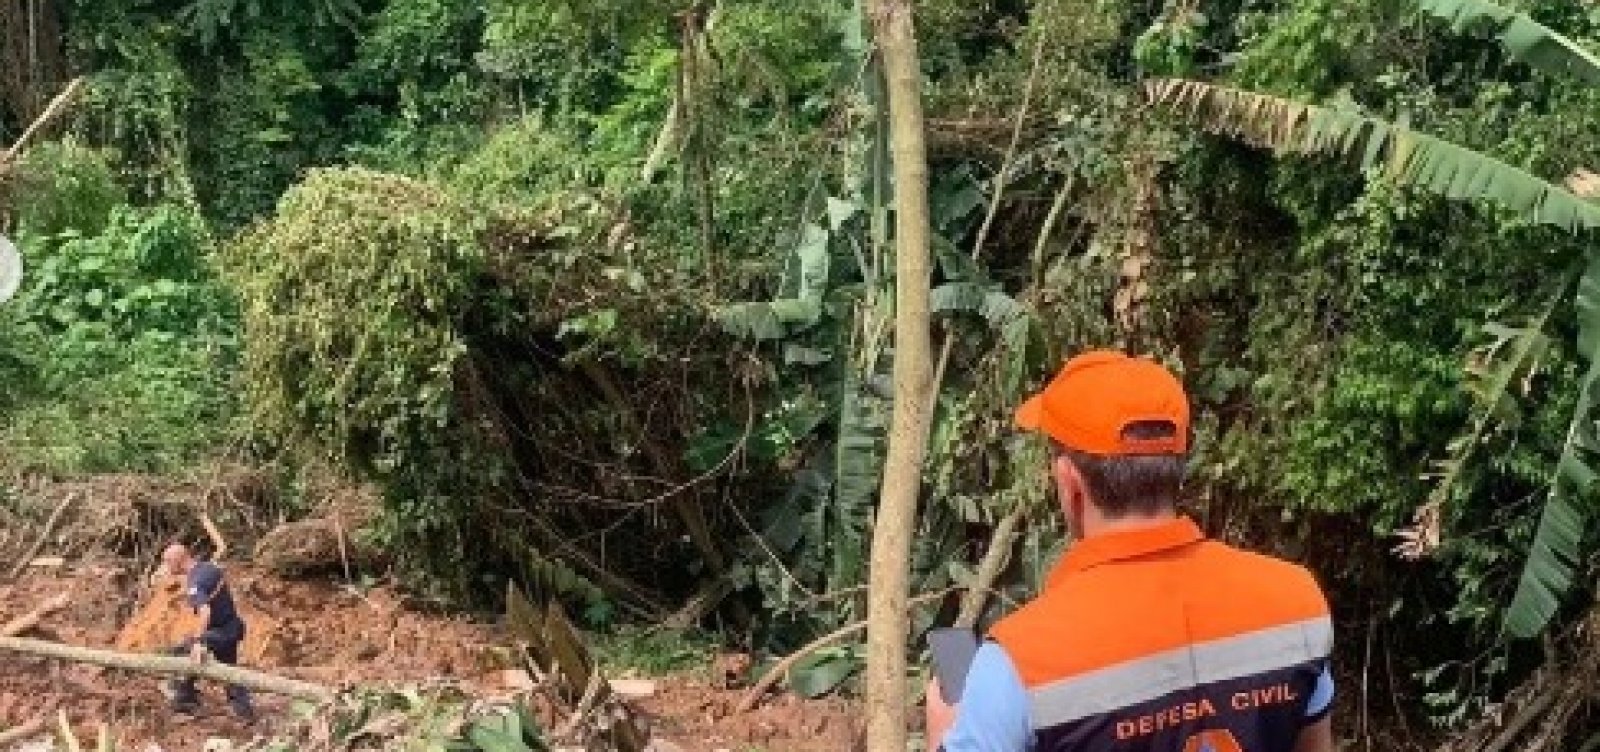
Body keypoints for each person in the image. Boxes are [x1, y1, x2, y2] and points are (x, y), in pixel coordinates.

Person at [925, 350, 1335, 752]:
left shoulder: (1020, 661)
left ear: (1069, 483)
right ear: (1177, 466)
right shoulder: (1297, 603)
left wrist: (942, 733)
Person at [160, 543, 255, 722]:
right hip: (231, 627)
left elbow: (205, 611)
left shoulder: (195, 582)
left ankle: (185, 700)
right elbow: (214, 592)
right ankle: (244, 712)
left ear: (178, 560)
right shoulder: (207, 568)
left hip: (222, 631)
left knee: (182, 651)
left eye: (167, 562)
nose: (166, 567)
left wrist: (198, 642)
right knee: (228, 670)